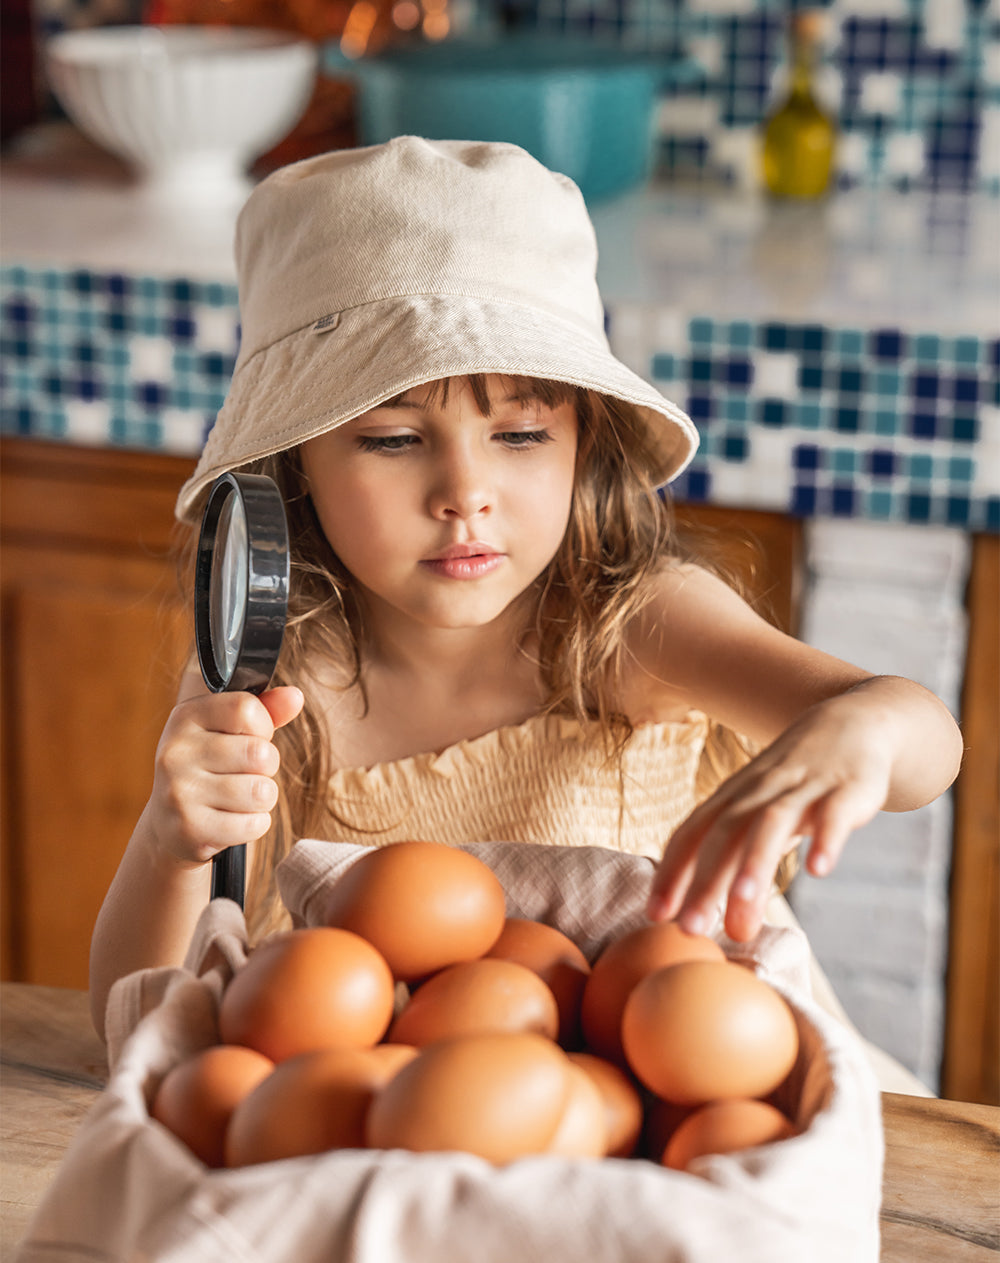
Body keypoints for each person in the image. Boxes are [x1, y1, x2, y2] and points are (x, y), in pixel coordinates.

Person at [89, 138, 962, 1076]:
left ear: (585, 439)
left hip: (686, 1127)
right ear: (293, 461)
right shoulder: (274, 675)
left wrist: (862, 733)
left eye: (518, 433)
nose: (465, 492)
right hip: (414, 1154)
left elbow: (926, 748)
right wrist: (172, 842)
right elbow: (134, 1025)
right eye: (391, 438)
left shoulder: (631, 623)